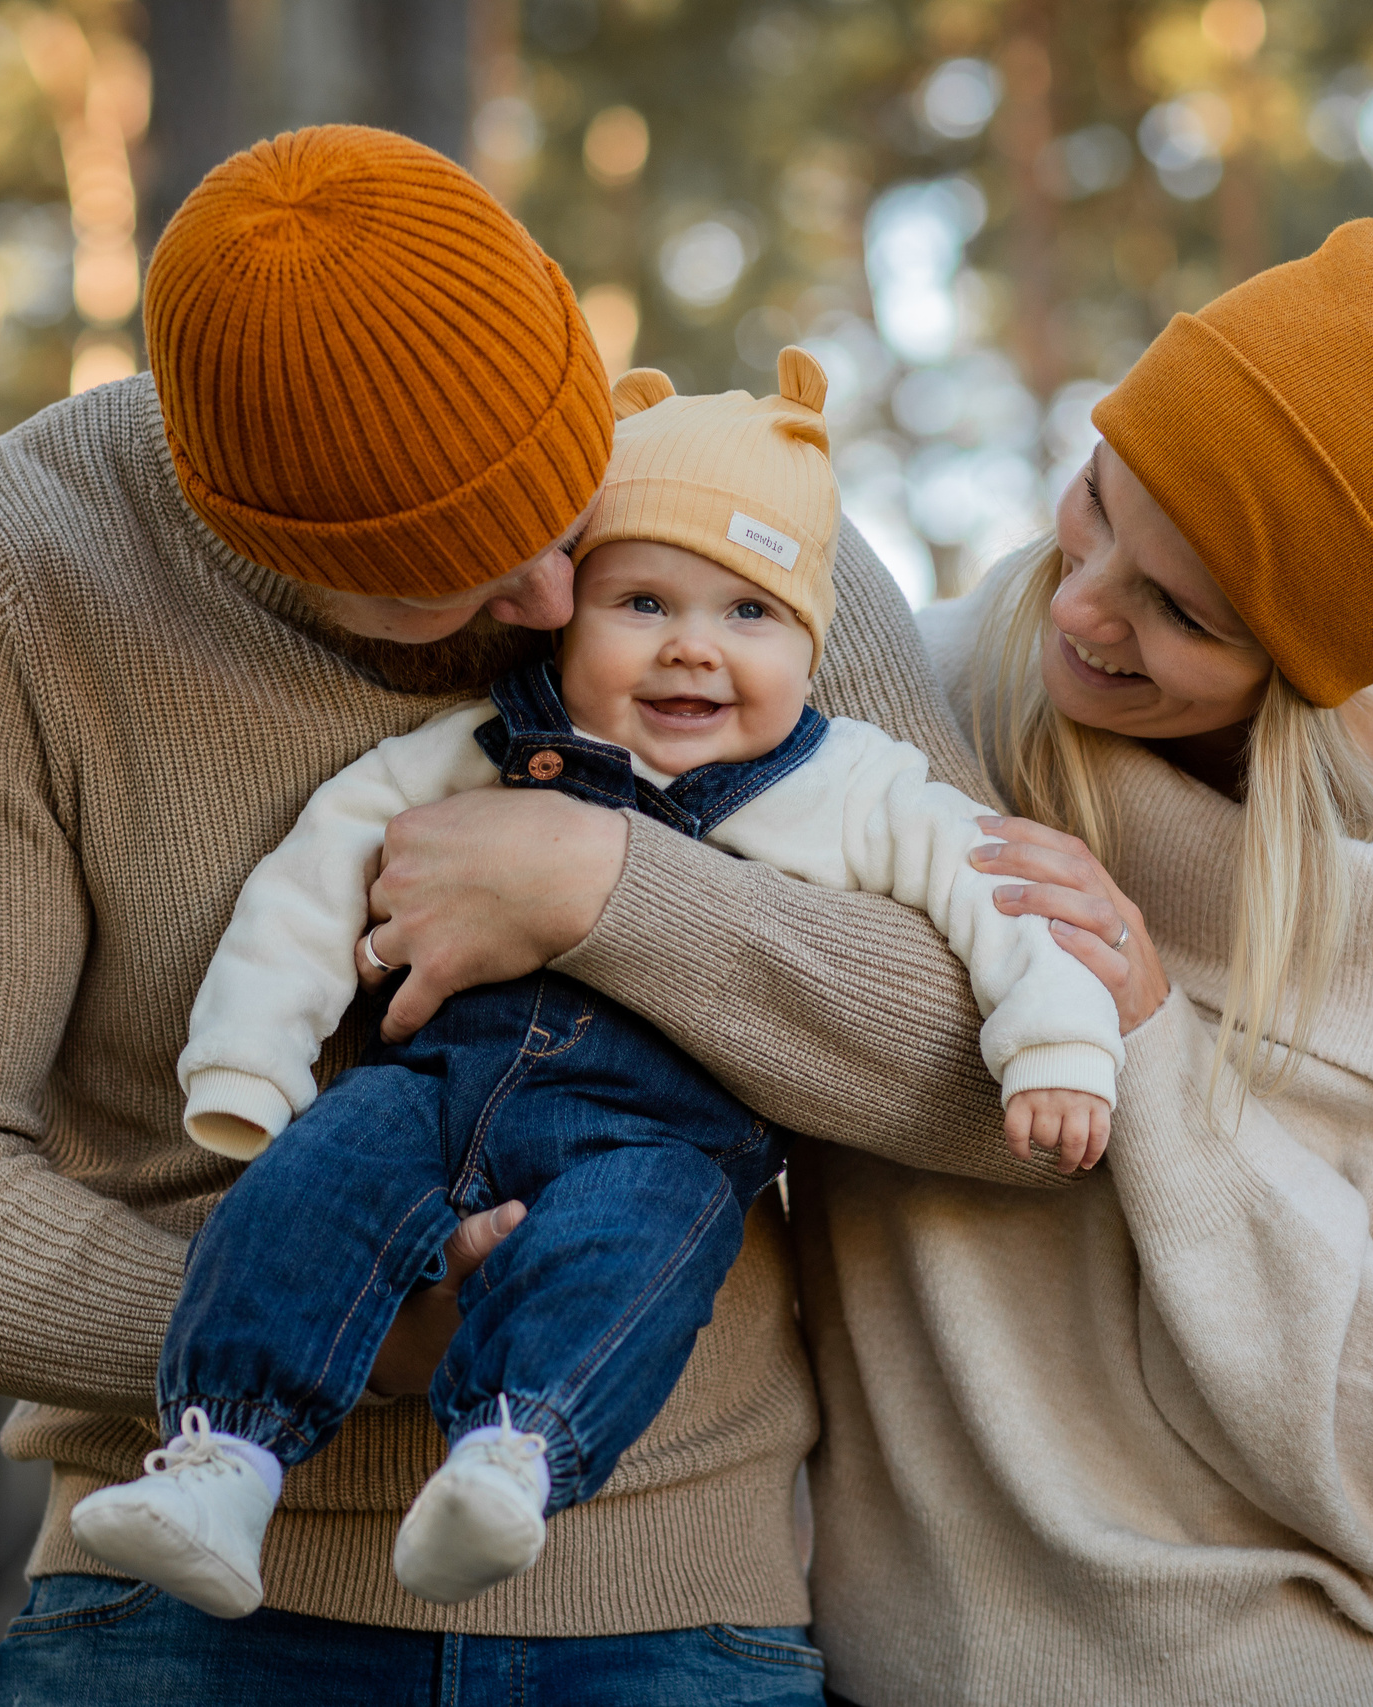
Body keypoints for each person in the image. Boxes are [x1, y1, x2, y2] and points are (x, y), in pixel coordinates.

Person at [0, 126, 1048, 1704]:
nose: (548, 593)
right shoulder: (8, 580)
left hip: (671, 1610)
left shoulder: (733, 527)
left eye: (563, 498)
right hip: (183, 1626)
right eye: (447, 577)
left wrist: (604, 889)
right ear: (249, 539)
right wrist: (359, 1319)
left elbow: (1003, 1086)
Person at [67, 351, 1119, 1621]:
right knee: (305, 1187)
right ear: (566, 614)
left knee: (639, 1253)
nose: (692, 650)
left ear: (809, 641)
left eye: (750, 614)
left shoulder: (857, 786)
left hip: (656, 1138)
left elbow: (999, 902)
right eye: (642, 604)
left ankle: (512, 1458)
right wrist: (246, 1059)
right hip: (436, 1087)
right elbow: (320, 867)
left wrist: (1056, 1050)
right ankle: (221, 1459)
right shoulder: (485, 749)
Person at [793, 220, 1373, 1707]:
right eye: (1097, 497)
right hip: (867, 1663)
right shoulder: (897, 705)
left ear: (1319, 659)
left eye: (1181, 609)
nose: (1082, 602)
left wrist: (1154, 1044)